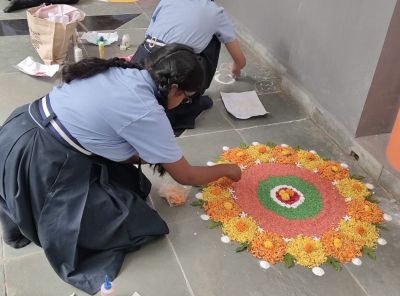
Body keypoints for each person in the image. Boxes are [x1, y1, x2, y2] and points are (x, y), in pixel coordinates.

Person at [0, 43, 241, 294]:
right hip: (40, 159)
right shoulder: (147, 111)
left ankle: (19, 215)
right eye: (185, 97)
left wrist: (152, 152)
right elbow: (186, 175)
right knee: (134, 221)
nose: (183, 103)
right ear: (173, 89)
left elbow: (124, 148)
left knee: (124, 179)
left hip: (17, 129)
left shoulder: (123, 70)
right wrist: (228, 169)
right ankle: (42, 216)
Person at [133, 0, 246, 131]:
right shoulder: (216, 12)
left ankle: (158, 105)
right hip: (173, 67)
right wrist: (237, 67)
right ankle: (186, 106)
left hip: (142, 58)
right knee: (214, 39)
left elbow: (152, 30)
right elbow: (240, 60)